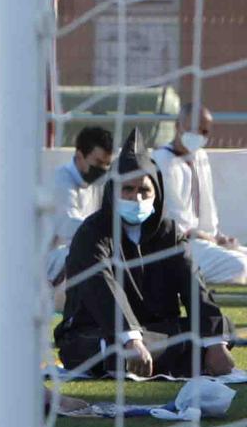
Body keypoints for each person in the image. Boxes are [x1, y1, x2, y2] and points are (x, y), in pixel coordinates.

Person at [57, 142, 235, 379]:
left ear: (156, 193)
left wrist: (215, 343)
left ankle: (161, 353)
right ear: (113, 191)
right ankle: (144, 354)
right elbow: (101, 286)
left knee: (221, 328)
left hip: (156, 333)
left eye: (144, 190)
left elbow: (193, 283)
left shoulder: (168, 232)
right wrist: (131, 338)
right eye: (127, 190)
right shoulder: (92, 233)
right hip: (99, 331)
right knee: (104, 347)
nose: (136, 197)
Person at [152, 107, 247, 286]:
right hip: (179, 245)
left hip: (205, 242)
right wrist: (209, 238)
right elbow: (176, 224)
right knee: (240, 266)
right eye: (193, 129)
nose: (198, 135)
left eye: (204, 132)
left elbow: (206, 210)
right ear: (177, 126)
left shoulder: (201, 157)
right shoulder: (161, 160)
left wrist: (219, 237)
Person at [48, 126, 117, 283]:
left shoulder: (95, 183)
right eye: (98, 162)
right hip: (48, 264)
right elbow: (68, 227)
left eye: (107, 165)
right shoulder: (60, 180)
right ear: (79, 156)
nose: (102, 170)